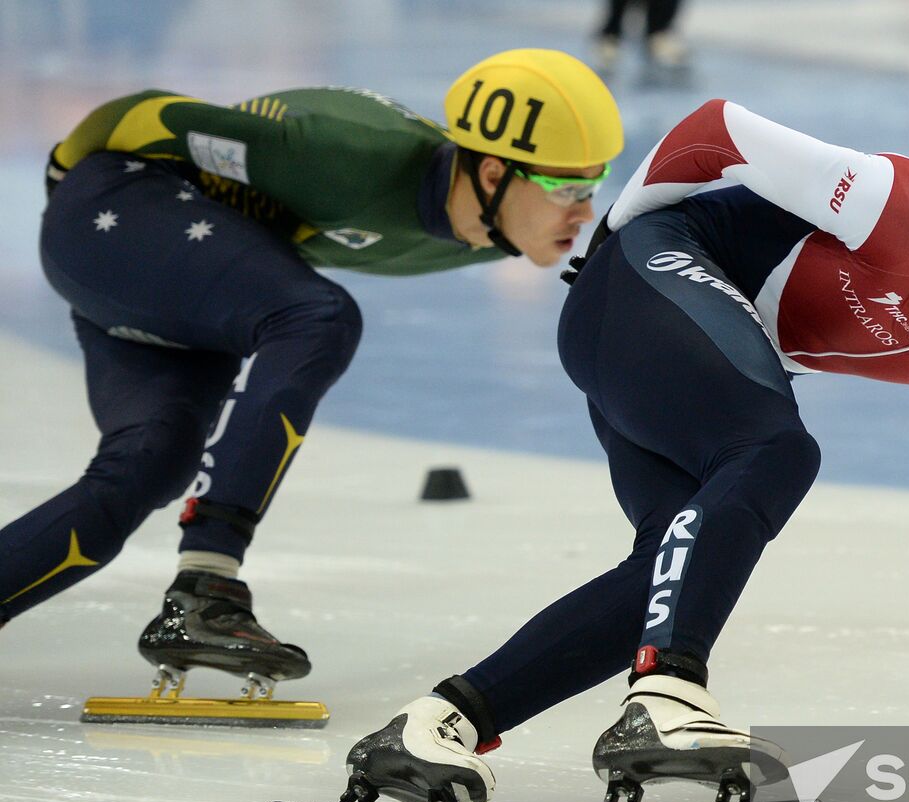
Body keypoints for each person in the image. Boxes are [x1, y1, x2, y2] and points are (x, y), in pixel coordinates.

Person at [345, 101, 909, 802]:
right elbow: (718, 129)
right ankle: (669, 696)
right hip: (648, 280)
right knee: (775, 450)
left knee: (670, 571)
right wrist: (617, 237)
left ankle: (437, 724)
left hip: (652, 341)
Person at [0, 50, 623, 700]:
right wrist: (65, 173)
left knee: (151, 462)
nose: (583, 211)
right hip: (114, 208)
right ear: (493, 171)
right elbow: (148, 114)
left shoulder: (486, 229)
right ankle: (207, 586)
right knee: (318, 316)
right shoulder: (348, 153)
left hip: (179, 274)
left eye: (594, 185)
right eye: (567, 189)